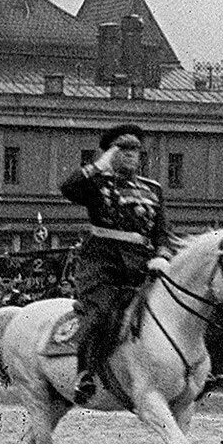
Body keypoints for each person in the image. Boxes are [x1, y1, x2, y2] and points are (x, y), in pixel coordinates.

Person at [59, 123, 172, 406]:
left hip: (143, 263)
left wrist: (161, 254)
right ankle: (84, 373)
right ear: (111, 153)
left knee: (176, 308)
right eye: (123, 150)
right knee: (100, 314)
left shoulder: (153, 189)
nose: (131, 155)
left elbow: (161, 231)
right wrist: (98, 165)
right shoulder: (97, 183)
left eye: (135, 150)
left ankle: (188, 370)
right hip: (103, 263)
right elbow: (68, 188)